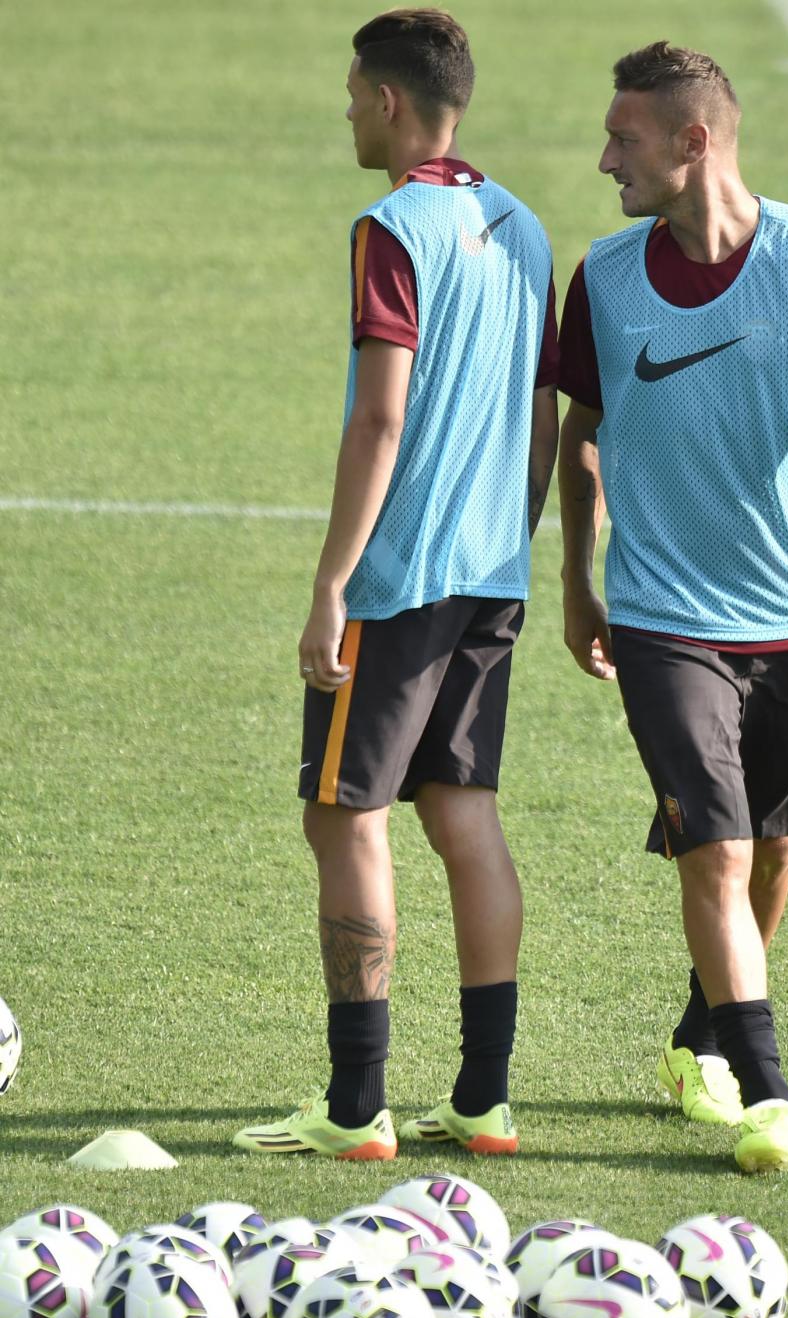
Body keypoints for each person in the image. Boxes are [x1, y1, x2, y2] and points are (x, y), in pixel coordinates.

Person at [558, 41, 788, 1172]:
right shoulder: (605, 278)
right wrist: (576, 580)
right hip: (665, 616)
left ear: (693, 140)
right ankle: (769, 1092)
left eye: (623, 138)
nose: (604, 159)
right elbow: (580, 435)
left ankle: (698, 1041)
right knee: (713, 852)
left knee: (772, 853)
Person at [234, 8, 558, 1160]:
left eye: (351, 95)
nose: (346, 114)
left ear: (387, 100)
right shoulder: (524, 224)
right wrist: (511, 535)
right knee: (465, 814)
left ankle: (355, 1103)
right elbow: (540, 407)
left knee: (343, 814)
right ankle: (484, 1097)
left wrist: (333, 582)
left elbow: (381, 417)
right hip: (491, 570)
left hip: (398, 578)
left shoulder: (389, 228)